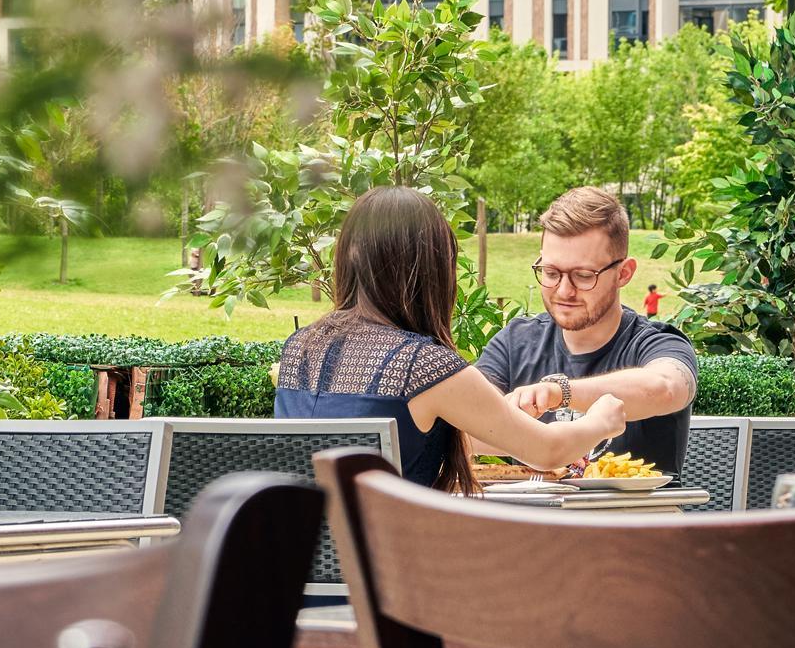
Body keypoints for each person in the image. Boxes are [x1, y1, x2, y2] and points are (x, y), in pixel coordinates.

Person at [273, 186, 625, 492]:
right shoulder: (422, 366)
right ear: (432, 269)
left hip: (301, 562)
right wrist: (599, 421)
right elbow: (547, 451)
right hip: (393, 564)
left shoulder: (300, 349)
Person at [476, 187, 697, 475]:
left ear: (624, 273)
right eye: (551, 273)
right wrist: (544, 444)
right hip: (534, 518)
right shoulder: (515, 342)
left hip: (638, 518)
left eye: (583, 276)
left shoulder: (656, 342)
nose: (564, 291)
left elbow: (665, 388)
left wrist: (560, 393)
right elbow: (462, 429)